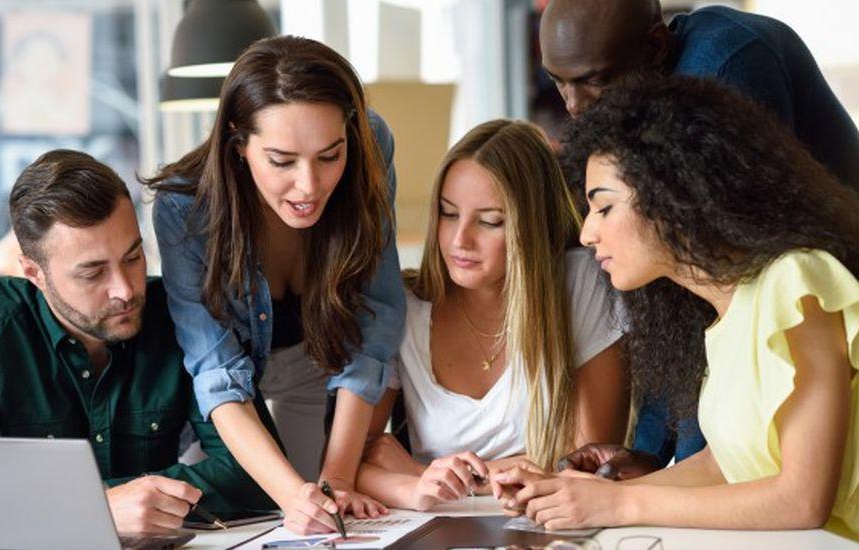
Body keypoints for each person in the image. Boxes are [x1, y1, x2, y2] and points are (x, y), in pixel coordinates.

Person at [491, 75, 858, 540]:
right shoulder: (724, 314)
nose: (586, 233)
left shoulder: (795, 284)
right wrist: (575, 493)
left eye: (604, 208)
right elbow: (724, 466)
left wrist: (618, 503)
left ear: (673, 194)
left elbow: (802, 499)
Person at [538, 0, 859, 473]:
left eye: (594, 80)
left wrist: (667, 469)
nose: (573, 105)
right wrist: (648, 453)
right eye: (558, 82)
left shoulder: (727, 67)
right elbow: (669, 298)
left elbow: (707, 294)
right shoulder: (643, 95)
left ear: (656, 45)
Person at [0, 150, 272, 535]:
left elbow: (257, 473)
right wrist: (88, 507)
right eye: (92, 273)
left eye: (133, 257)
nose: (125, 290)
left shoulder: (179, 317)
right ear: (33, 272)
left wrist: (127, 502)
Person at [145, 36, 405, 535]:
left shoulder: (371, 144)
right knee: (250, 518)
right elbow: (217, 373)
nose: (309, 185)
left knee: (329, 516)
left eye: (330, 155)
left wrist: (336, 479)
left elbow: (376, 317)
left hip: (321, 361)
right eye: (282, 161)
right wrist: (293, 498)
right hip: (231, 394)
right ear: (239, 144)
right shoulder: (184, 207)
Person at [354, 119, 628, 511]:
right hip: (440, 525)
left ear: (532, 226)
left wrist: (423, 473)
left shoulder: (582, 283)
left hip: (551, 521)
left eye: (489, 221)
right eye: (449, 214)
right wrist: (416, 487)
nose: (460, 240)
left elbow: (588, 461)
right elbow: (358, 462)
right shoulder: (405, 307)